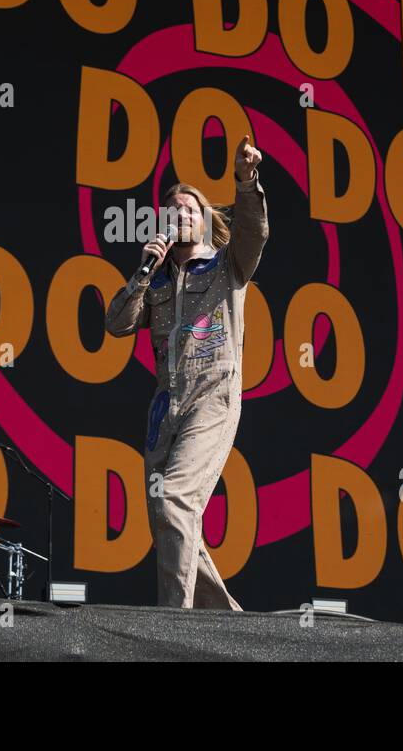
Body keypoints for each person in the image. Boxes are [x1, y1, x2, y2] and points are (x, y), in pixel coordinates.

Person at [104, 134, 268, 610]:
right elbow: (115, 324)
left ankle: (173, 629)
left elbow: (254, 231)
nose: (181, 215)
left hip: (212, 395)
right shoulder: (154, 280)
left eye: (190, 208)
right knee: (167, 513)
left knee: (175, 498)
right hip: (164, 408)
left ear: (204, 220)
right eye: (172, 210)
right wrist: (141, 272)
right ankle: (228, 623)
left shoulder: (228, 265)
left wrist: (246, 180)